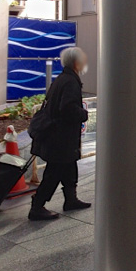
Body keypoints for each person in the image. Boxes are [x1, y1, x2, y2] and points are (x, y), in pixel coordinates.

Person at [29, 47, 90, 221]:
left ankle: (71, 200)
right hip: (61, 138)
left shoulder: (62, 79)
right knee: (54, 172)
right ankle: (37, 206)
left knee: (69, 167)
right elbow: (67, 108)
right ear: (76, 63)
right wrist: (83, 114)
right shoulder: (70, 82)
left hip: (58, 137)